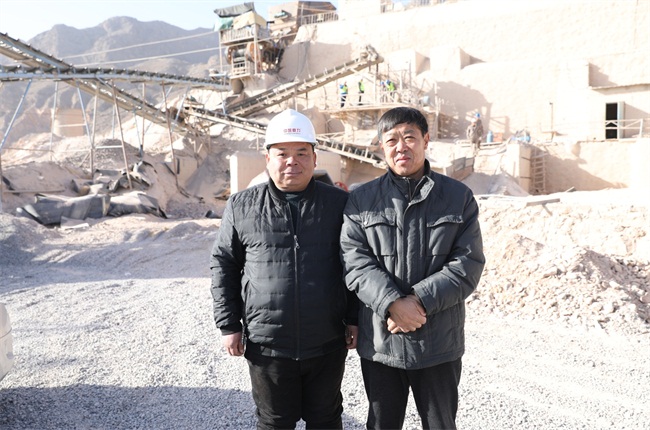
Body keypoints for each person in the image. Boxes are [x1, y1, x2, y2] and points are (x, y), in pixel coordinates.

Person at [211, 108, 358, 429]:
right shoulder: (242, 205)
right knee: (274, 422)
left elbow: (355, 264)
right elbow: (224, 264)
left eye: (302, 153)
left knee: (326, 419)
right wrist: (228, 324)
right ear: (268, 159)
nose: (292, 161)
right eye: (282, 153)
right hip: (268, 345)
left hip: (326, 342)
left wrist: (354, 318)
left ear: (314, 158)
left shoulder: (339, 204)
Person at [340, 106, 485, 430]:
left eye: (409, 137)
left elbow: (468, 263)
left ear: (426, 140)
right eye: (391, 140)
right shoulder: (362, 200)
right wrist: (392, 303)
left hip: (438, 343)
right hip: (382, 343)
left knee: (441, 424)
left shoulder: (457, 197)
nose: (401, 147)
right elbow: (354, 260)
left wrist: (417, 302)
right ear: (381, 146)